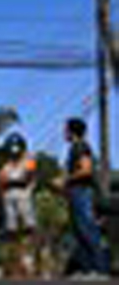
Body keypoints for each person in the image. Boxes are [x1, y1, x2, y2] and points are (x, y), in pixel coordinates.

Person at [63, 118, 108, 278]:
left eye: (65, 129)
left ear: (71, 131)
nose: (63, 132)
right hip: (76, 192)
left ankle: (100, 270)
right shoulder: (75, 147)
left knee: (88, 230)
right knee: (80, 231)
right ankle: (87, 270)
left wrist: (66, 179)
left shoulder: (81, 147)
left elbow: (86, 169)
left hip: (82, 192)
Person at [0, 132, 38, 278]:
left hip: (24, 197)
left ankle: (31, 258)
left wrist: (11, 182)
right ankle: (15, 261)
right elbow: (2, 181)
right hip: (8, 199)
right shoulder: (6, 165)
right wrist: (12, 181)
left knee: (29, 227)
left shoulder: (29, 160)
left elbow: (26, 178)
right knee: (11, 230)